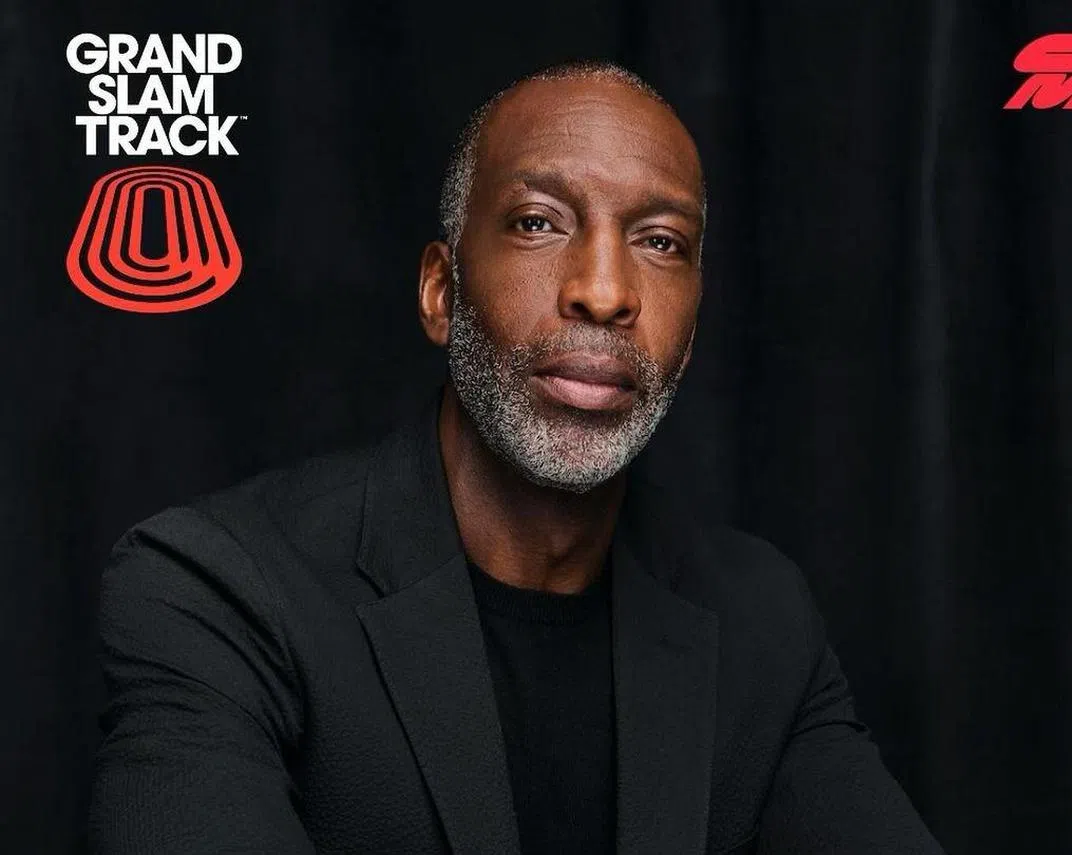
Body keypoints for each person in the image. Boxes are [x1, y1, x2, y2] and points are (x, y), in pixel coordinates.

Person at [89, 60, 945, 855]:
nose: (604, 292)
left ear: (692, 325)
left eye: (660, 241)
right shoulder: (217, 591)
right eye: (538, 223)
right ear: (441, 291)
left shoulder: (761, 620)